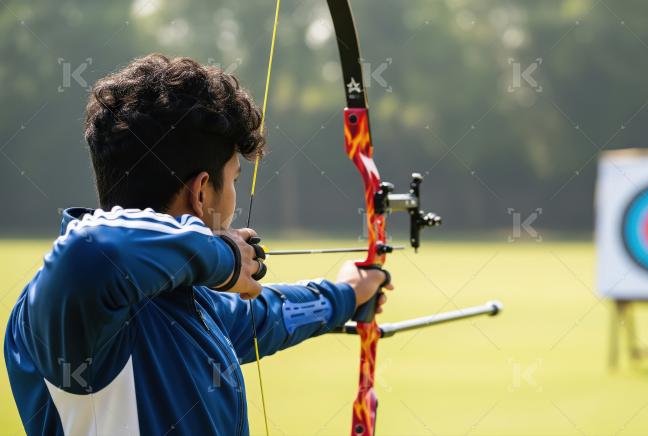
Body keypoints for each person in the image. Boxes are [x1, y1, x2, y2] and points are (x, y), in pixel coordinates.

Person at [3, 53, 391, 435]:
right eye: (235, 179)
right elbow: (93, 248)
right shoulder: (71, 309)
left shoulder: (187, 300)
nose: (236, 198)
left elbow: (266, 316)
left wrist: (346, 294)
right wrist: (222, 257)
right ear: (201, 192)